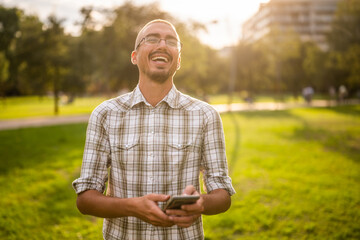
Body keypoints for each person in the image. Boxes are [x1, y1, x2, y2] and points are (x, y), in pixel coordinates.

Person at [72, 19, 235, 240]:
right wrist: (132, 206)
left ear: (178, 60)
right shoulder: (105, 114)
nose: (162, 45)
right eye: (151, 39)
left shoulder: (205, 115)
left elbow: (223, 195)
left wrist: (201, 203)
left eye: (171, 41)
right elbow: (85, 200)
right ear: (134, 57)